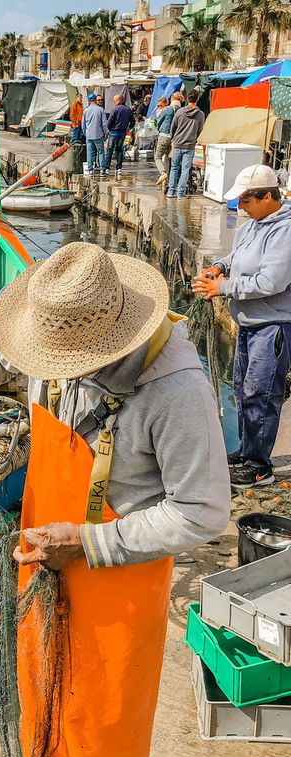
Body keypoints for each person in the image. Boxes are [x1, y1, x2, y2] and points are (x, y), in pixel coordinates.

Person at [0, 241, 230, 757]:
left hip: (116, 570)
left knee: (105, 718)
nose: (49, 367)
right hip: (46, 542)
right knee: (42, 679)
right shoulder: (49, 331)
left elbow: (203, 512)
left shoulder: (176, 390)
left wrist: (92, 544)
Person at [192, 164, 291, 489]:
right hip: (248, 322)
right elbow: (236, 256)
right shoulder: (253, 223)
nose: (241, 207)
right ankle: (248, 452)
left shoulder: (285, 231)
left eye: (246, 201)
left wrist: (223, 288)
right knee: (243, 391)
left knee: (262, 396)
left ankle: (260, 468)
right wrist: (218, 267)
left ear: (267, 197)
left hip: (272, 325)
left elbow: (271, 282)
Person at [167, 90, 204, 199]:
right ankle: (181, 193)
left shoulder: (180, 112)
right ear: (197, 100)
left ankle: (170, 191)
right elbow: (200, 130)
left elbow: (173, 127)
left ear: (187, 99)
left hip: (178, 143)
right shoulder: (201, 115)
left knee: (174, 168)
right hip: (190, 145)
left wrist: (173, 137)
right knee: (185, 169)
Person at [104, 93, 135, 180]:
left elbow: (110, 121)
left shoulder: (114, 109)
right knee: (120, 150)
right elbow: (132, 121)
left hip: (113, 133)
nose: (113, 102)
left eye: (114, 100)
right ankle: (119, 168)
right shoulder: (128, 110)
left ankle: (107, 168)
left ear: (118, 100)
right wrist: (129, 128)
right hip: (122, 133)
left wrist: (108, 129)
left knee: (110, 149)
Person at [153, 94, 180, 187]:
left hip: (164, 134)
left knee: (157, 157)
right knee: (168, 157)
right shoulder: (181, 110)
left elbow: (159, 120)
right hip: (173, 137)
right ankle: (166, 181)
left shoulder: (168, 109)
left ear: (171, 100)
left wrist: (158, 127)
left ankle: (163, 173)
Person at [81, 93, 108, 178]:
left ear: (89, 101)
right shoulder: (100, 110)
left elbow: (83, 124)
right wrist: (105, 132)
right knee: (101, 152)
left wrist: (85, 133)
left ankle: (90, 170)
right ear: (95, 100)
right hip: (98, 134)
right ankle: (102, 170)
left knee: (89, 153)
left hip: (89, 134)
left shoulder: (86, 111)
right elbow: (104, 123)